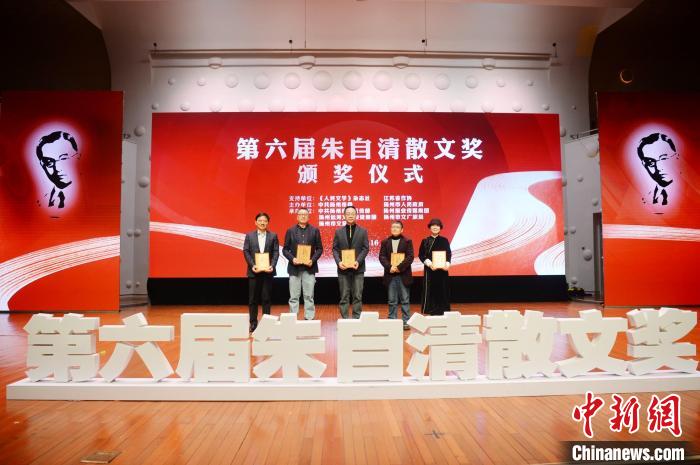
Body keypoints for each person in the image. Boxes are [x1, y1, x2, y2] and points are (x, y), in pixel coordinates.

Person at [282, 207, 323, 320]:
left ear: (308, 217)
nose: (303, 216)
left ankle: (309, 318)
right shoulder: (290, 231)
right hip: (294, 268)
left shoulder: (315, 230)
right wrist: (292, 259)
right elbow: (285, 249)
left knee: (309, 296)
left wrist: (312, 260)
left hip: (309, 268)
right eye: (301, 214)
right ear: (297, 216)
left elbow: (319, 249)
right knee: (294, 297)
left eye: (305, 214)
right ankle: (293, 318)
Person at [242, 212, 279, 332]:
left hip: (268, 272)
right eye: (260, 221)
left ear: (268, 223)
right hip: (254, 271)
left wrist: (272, 265)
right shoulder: (249, 236)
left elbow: (276, 252)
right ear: (256, 222)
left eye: (265, 221)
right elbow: (246, 251)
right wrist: (252, 265)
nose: (262, 223)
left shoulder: (273, 236)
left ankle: (266, 323)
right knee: (253, 299)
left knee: (266, 298)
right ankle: (253, 323)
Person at [332, 205, 369, 319]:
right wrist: (339, 262)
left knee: (357, 296)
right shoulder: (338, 231)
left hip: (358, 268)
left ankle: (356, 318)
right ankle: (345, 319)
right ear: (344, 216)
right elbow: (335, 249)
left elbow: (365, 248)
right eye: (348, 213)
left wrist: (358, 261)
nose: (350, 215)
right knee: (344, 296)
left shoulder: (363, 231)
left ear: (356, 215)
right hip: (343, 269)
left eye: (353, 213)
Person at [378, 220, 414, 329]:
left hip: (403, 274)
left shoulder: (407, 241)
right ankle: (392, 320)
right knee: (392, 300)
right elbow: (382, 257)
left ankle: (406, 321)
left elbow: (410, 257)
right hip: (390, 274)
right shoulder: (385, 242)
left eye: (397, 227)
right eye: (393, 227)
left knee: (405, 300)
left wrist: (399, 267)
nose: (395, 229)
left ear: (402, 230)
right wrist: (390, 267)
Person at [35, 130, 80, 209]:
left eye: (64, 159)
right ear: (42, 166)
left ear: (78, 157)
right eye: (49, 163)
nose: (58, 169)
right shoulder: (41, 202)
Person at [418, 218, 451, 315]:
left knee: (442, 290)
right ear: (430, 227)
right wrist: (430, 264)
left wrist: (447, 264)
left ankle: (443, 310)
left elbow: (448, 254)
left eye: (437, 225)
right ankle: (431, 310)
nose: (435, 227)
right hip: (430, 270)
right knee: (430, 290)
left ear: (440, 228)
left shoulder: (444, 240)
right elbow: (421, 255)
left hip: (442, 271)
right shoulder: (425, 241)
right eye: (433, 225)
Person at [636, 132, 679, 206]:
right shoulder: (645, 199)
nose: (658, 168)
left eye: (664, 159)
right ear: (644, 165)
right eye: (650, 163)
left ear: (677, 157)